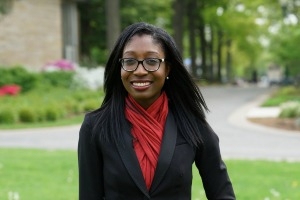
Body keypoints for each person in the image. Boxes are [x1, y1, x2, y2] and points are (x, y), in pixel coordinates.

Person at [78, 22, 235, 200]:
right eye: (129, 61)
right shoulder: (96, 127)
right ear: (119, 67)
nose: (139, 71)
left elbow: (222, 194)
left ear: (167, 68)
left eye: (152, 61)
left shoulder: (192, 124)